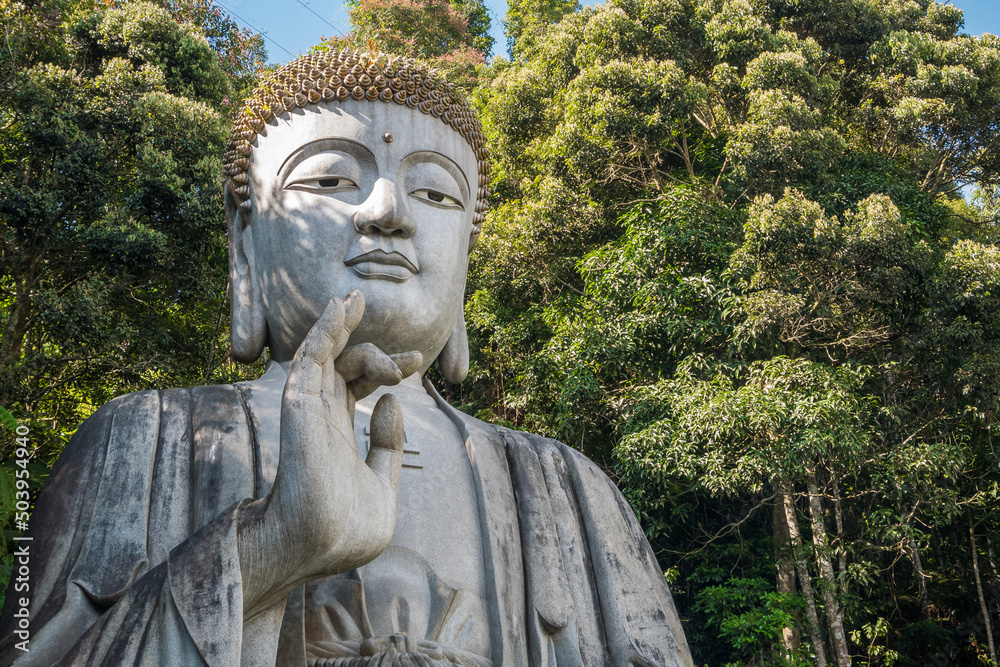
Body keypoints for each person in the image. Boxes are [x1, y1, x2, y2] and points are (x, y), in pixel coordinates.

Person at [0, 49, 693, 667]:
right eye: (331, 180)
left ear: (466, 257)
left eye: (436, 191)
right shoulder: (140, 444)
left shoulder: (570, 492)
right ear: (245, 239)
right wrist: (266, 550)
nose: (389, 210)